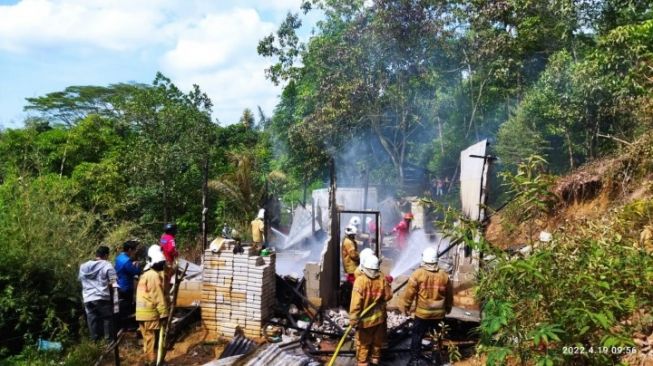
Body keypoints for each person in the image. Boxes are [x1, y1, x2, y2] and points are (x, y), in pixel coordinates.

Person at [402, 247, 453, 366]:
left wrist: (406, 306)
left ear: (424, 260)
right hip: (438, 314)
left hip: (422, 314)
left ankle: (415, 360)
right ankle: (436, 359)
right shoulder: (443, 275)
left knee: (417, 335)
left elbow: (409, 293)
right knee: (436, 336)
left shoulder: (418, 274)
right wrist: (448, 307)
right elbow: (449, 294)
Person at [350, 254, 393, 366]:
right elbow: (388, 296)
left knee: (363, 344)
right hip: (379, 319)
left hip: (365, 321)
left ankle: (363, 363)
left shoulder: (360, 281)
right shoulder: (382, 279)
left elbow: (355, 303)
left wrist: (353, 319)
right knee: (376, 342)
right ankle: (375, 361)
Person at [136, 245, 170, 366]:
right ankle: (152, 362)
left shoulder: (144, 274)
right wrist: (164, 314)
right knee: (152, 340)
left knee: (147, 339)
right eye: (161, 263)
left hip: (141, 313)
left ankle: (148, 360)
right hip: (150, 313)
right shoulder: (154, 276)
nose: (162, 265)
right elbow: (158, 296)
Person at [79, 245, 117, 341]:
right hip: (101, 297)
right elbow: (114, 282)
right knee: (107, 318)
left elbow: (81, 280)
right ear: (106, 255)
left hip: (87, 298)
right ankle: (109, 343)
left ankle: (94, 343)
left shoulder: (83, 266)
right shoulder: (107, 265)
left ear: (96, 254)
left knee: (92, 320)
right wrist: (115, 300)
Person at [115, 240, 141, 331]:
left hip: (120, 284)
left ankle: (124, 325)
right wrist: (137, 265)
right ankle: (128, 326)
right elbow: (135, 272)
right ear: (130, 250)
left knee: (123, 305)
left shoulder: (119, 257)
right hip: (126, 286)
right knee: (127, 306)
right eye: (134, 250)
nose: (134, 252)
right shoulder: (126, 261)